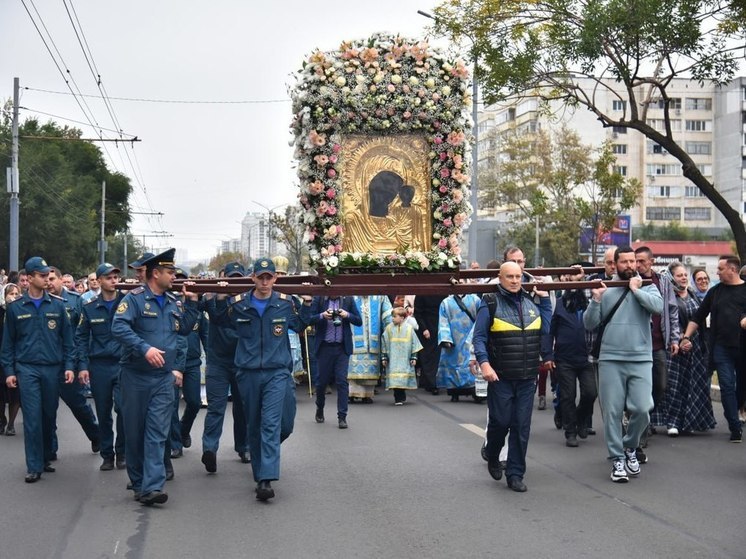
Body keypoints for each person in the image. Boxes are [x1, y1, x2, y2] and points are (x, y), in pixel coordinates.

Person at [211, 257, 312, 501]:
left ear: (275, 278)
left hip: (277, 372)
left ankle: (266, 469)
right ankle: (263, 477)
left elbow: (299, 323)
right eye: (261, 277)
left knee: (278, 425)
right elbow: (218, 319)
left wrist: (308, 303)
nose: (265, 282)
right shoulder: (239, 304)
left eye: (269, 277)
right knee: (256, 424)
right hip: (248, 373)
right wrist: (220, 298)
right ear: (253, 278)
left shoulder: (285, 303)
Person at [112, 249, 199, 506]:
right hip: (135, 376)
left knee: (157, 432)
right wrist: (144, 348)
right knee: (135, 432)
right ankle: (138, 482)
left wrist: (192, 302)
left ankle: (152, 485)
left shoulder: (174, 301)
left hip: (162, 378)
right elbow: (118, 327)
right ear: (155, 274)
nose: (174, 276)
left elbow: (183, 329)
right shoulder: (135, 300)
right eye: (170, 272)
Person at [583, 246, 663, 483]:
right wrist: (595, 301)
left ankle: (630, 447)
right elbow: (589, 324)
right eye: (624, 262)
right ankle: (617, 457)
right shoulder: (606, 290)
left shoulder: (648, 286)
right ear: (615, 265)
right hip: (610, 359)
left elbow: (657, 308)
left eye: (633, 261)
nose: (630, 265)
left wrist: (637, 291)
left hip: (640, 358)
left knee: (642, 408)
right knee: (613, 413)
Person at [472, 261, 552, 492]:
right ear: (500, 278)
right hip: (501, 377)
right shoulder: (490, 302)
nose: (515, 280)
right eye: (510, 276)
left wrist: (545, 301)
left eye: (518, 276)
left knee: (521, 426)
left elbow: (545, 330)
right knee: (501, 423)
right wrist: (485, 364)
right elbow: (479, 338)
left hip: (527, 377)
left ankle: (515, 473)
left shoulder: (531, 302)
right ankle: (493, 454)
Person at [0, 257, 76, 483]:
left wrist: (70, 366)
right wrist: (10, 372)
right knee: (32, 417)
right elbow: (8, 344)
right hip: (27, 368)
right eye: (42, 275)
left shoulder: (58, 305)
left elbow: (68, 341)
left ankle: (44, 457)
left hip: (52, 369)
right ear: (30, 278)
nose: (46, 279)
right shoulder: (14, 309)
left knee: (48, 414)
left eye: (48, 275)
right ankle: (33, 466)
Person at [680, 255, 746, 443]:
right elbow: (698, 316)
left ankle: (739, 410)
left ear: (732, 270)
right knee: (726, 386)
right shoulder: (715, 292)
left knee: (741, 388)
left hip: (743, 348)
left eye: (720, 269)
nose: (716, 272)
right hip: (721, 347)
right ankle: (734, 427)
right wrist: (686, 336)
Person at [75, 263, 127, 471]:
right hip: (99, 366)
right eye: (109, 277)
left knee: (123, 409)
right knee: (104, 412)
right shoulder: (89, 307)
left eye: (116, 277)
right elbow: (80, 337)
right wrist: (83, 365)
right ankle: (107, 454)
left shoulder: (127, 303)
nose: (114, 280)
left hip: (123, 364)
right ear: (100, 280)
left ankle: (122, 452)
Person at [201, 262, 250, 473]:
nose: (234, 283)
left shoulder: (248, 300)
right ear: (224, 277)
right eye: (232, 278)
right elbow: (215, 317)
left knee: (243, 408)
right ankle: (209, 450)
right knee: (216, 408)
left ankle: (244, 447)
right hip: (218, 362)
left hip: (241, 362)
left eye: (239, 278)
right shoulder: (212, 297)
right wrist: (218, 296)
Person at [47, 267, 101, 457]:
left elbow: (81, 336)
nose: (49, 282)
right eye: (46, 278)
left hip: (69, 361)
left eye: (53, 278)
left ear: (62, 280)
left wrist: (81, 365)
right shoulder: (43, 301)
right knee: (47, 408)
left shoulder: (75, 300)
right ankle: (49, 450)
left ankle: (95, 435)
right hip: (47, 361)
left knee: (78, 404)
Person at [661, 262, 716, 436]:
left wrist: (692, 339)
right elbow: (668, 322)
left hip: (696, 348)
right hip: (675, 347)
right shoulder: (667, 297)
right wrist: (680, 339)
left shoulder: (694, 295)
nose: (683, 278)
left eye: (685, 275)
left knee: (693, 387)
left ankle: (689, 421)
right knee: (674, 387)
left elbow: (700, 320)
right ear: (671, 278)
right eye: (679, 275)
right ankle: (672, 423)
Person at [635, 246, 680, 447]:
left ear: (651, 261)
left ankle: (645, 417)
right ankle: (640, 430)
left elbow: (672, 311)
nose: (638, 265)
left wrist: (675, 339)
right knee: (640, 389)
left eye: (642, 261)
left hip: (659, 344)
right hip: (638, 345)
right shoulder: (632, 282)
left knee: (660, 386)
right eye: (635, 261)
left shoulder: (662, 282)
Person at [550, 266, 597, 447]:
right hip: (564, 358)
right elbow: (550, 331)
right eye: (570, 277)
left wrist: (582, 277)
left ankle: (581, 419)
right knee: (568, 396)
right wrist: (548, 355)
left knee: (591, 393)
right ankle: (571, 432)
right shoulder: (560, 303)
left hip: (587, 358)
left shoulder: (589, 301)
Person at [169, 267, 207, 459]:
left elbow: (205, 335)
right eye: (176, 282)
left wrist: (212, 363)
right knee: (172, 404)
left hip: (192, 363)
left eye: (183, 282)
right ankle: (175, 444)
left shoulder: (196, 309)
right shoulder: (168, 307)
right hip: (172, 363)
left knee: (193, 402)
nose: (179, 286)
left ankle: (183, 431)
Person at [310, 294, 362, 429]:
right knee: (321, 383)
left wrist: (347, 315)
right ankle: (319, 407)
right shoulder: (319, 299)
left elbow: (358, 320)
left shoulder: (348, 299)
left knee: (342, 381)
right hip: (324, 347)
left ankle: (342, 417)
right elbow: (308, 319)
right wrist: (322, 315)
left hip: (342, 348)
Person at [436, 293, 481, 401]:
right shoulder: (446, 302)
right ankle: (454, 391)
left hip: (471, 335)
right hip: (453, 337)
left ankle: (476, 391)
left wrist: (478, 333)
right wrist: (446, 338)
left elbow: (481, 318)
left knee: (472, 361)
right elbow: (443, 321)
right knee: (453, 363)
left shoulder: (475, 299)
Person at [348, 295, 392, 403]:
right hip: (354, 339)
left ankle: (367, 394)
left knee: (371, 368)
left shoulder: (380, 296)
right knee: (353, 368)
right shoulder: (351, 295)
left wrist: (391, 328)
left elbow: (387, 315)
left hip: (373, 339)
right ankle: (351, 394)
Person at [381, 307, 422, 405]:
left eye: (395, 317)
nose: (392, 319)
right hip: (393, 360)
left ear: (402, 318)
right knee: (395, 381)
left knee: (402, 380)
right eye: (392, 317)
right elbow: (384, 343)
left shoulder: (409, 328)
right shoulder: (389, 328)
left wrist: (414, 357)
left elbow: (414, 343)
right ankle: (398, 398)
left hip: (405, 359)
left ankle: (401, 396)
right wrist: (384, 357)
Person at [412, 294, 446, 395]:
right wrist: (424, 328)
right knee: (428, 355)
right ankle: (431, 383)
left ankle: (430, 382)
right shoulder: (422, 293)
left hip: (440, 325)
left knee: (435, 356)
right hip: (427, 327)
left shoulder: (442, 291)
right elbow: (418, 313)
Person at [0, 283, 22, 436]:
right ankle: (2, 420)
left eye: (16, 293)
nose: (13, 296)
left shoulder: (21, 311)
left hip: (17, 356)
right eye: (10, 293)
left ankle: (11, 424)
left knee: (15, 392)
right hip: (1, 355)